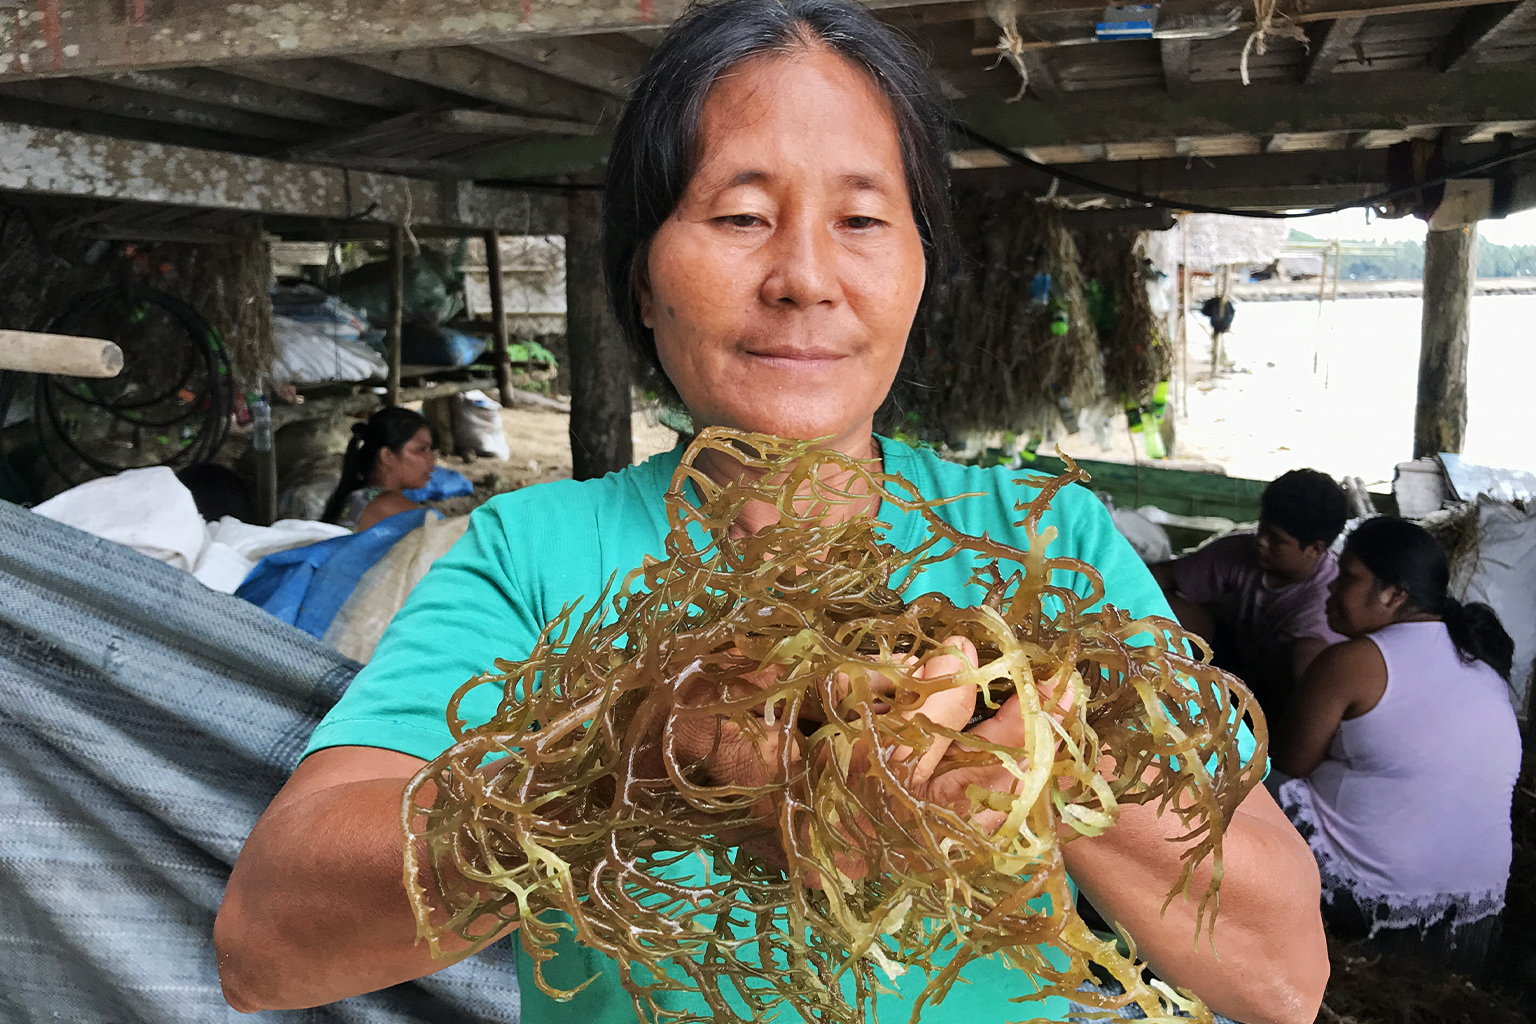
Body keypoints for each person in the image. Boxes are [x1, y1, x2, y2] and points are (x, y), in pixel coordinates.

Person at [214, 3, 1328, 1022]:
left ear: (919, 270)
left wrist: (1049, 745)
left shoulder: (1044, 542)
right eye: (742, 214)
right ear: (642, 278)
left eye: (860, 219)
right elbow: (267, 943)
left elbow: (1282, 973)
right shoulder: (534, 552)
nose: (804, 275)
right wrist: (628, 767)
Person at [1273, 516, 1520, 974]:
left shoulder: (1353, 662)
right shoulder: (1485, 670)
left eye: (1348, 576)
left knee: (1252, 779)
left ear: (1394, 593)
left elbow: (1289, 763)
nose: (1330, 588)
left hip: (1371, 907)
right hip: (1472, 922)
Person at [1151, 469, 1349, 717]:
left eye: (1277, 539)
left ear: (1314, 549)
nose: (1261, 542)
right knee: (1167, 606)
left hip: (1278, 689)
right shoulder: (1237, 553)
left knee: (1307, 661)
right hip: (1227, 662)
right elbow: (1158, 577)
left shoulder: (1327, 600)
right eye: (1262, 529)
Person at [319, 406, 435, 532]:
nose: (432, 459)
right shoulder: (389, 505)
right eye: (421, 450)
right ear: (387, 456)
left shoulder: (360, 497)